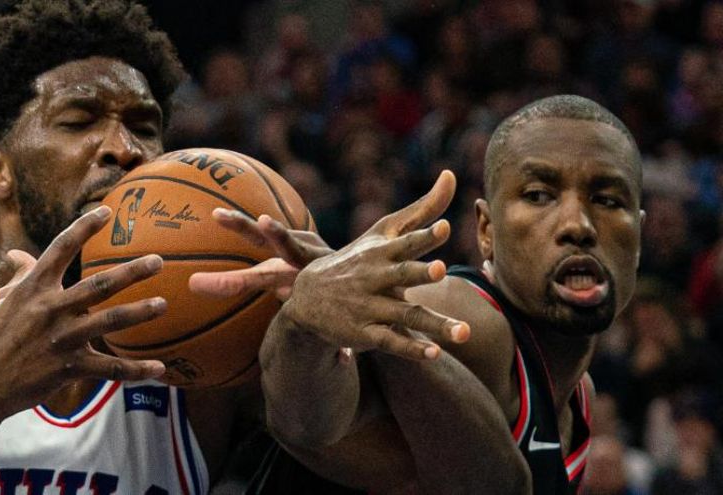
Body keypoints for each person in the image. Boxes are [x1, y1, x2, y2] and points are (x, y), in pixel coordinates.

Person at [0, 1, 523, 494]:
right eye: (80, 120)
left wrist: (327, 330)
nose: (124, 146)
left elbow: (475, 484)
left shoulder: (211, 336)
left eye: (145, 125)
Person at [210, 94, 644, 494]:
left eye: (607, 200)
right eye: (538, 195)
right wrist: (304, 323)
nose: (579, 226)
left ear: (639, 233)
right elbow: (308, 422)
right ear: (487, 231)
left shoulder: (579, 395)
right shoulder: (457, 316)